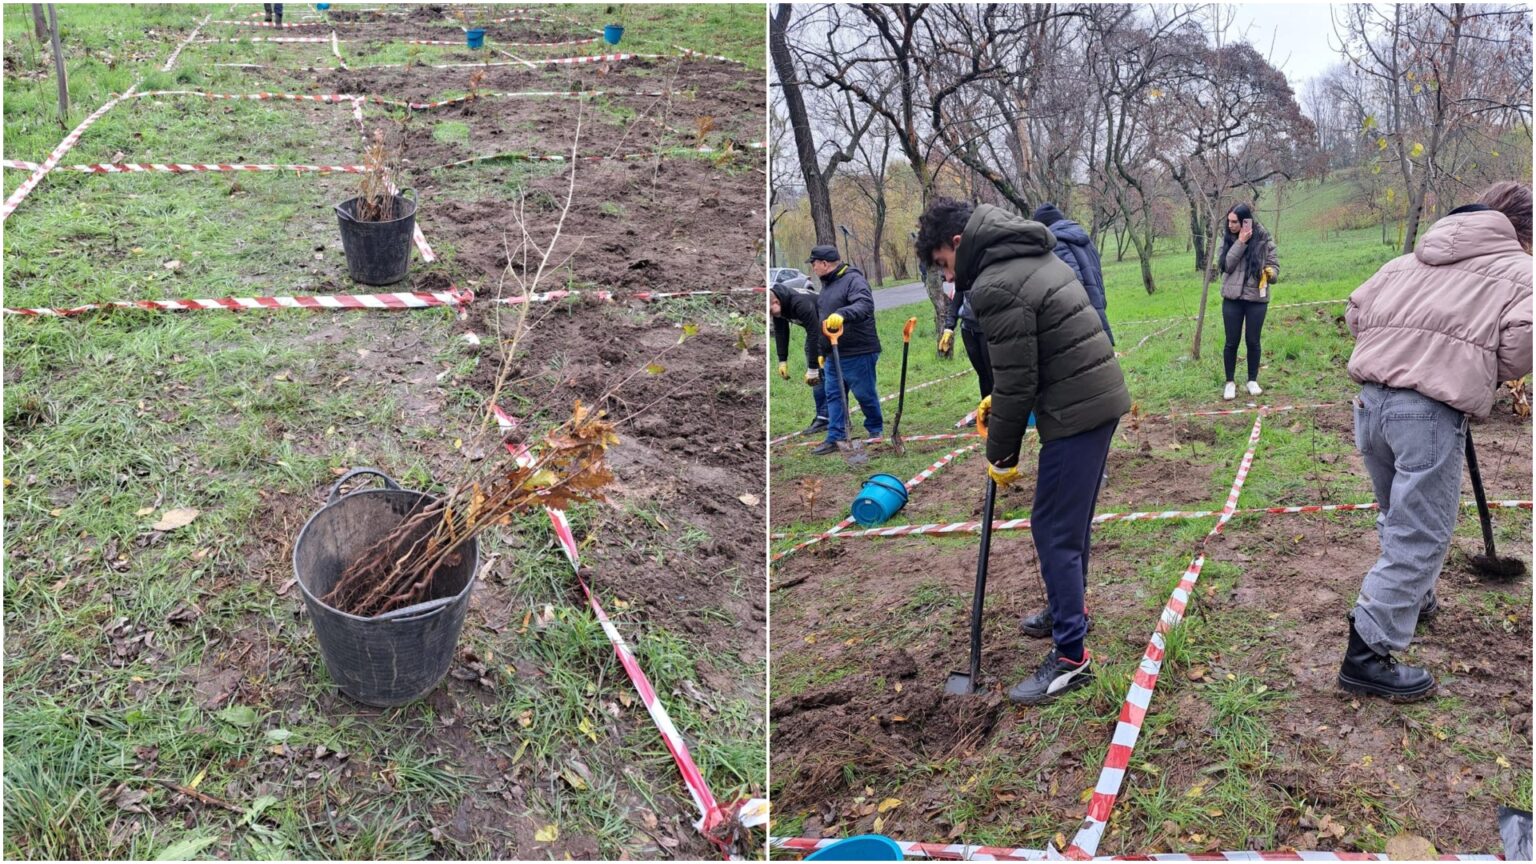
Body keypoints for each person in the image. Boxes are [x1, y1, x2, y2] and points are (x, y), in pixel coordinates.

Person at [917, 197, 1131, 705]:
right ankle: (1068, 614)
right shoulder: (1025, 251)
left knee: (1053, 528)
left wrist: (1001, 454)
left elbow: (1017, 380)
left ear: (957, 244)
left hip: (1077, 408)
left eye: (945, 267)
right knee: (1068, 524)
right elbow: (1033, 351)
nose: (948, 280)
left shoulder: (995, 282)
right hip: (1093, 398)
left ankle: (1071, 658)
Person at [1340, 181, 1532, 701]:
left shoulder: (1409, 260)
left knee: (1396, 512)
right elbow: (1521, 344)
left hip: (1370, 405)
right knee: (1419, 534)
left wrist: (1402, 344)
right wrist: (1471, 370)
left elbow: (1355, 312)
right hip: (1425, 415)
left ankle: (1414, 598)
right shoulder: (1521, 272)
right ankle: (1367, 655)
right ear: (1524, 231)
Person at [807, 244, 882, 456]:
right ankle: (835, 436)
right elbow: (823, 319)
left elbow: (865, 305)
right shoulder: (828, 285)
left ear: (824, 263)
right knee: (834, 395)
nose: (813, 268)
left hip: (859, 349)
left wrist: (843, 313)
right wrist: (822, 351)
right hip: (833, 352)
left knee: (864, 393)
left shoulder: (853, 279)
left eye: (814, 263)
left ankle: (875, 431)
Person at [1218, 203, 1279, 401]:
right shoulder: (1227, 238)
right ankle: (1230, 382)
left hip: (1256, 299)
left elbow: (1274, 264)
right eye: (1229, 221)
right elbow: (1227, 265)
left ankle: (1252, 380)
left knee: (1253, 341)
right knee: (1231, 342)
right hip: (1232, 298)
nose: (1231, 225)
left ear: (1246, 220)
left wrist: (1271, 273)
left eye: (1235, 222)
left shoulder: (1263, 238)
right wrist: (1240, 242)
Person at [1033, 203, 1113, 344]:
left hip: (1081, 316)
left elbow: (1073, 284)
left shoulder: (1058, 244)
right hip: (1097, 304)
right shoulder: (1082, 237)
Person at [770, 281, 828, 436]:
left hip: (831, 330)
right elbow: (781, 332)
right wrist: (782, 360)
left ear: (776, 302)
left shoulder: (800, 303)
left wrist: (813, 367)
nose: (770, 316)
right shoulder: (777, 303)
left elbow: (815, 332)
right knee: (819, 376)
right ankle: (825, 416)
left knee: (824, 375)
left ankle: (828, 418)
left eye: (770, 311)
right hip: (817, 332)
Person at [939, 279, 992, 410]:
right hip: (968, 331)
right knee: (982, 373)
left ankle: (998, 410)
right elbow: (955, 304)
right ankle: (986, 410)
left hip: (987, 331)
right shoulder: (964, 276)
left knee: (992, 372)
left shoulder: (989, 273)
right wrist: (948, 328)